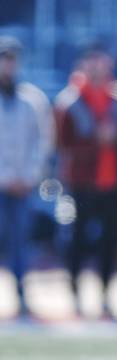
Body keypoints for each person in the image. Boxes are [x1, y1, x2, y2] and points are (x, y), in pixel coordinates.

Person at [55, 43, 117, 318]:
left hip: (113, 183)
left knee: (111, 240)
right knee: (78, 239)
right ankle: (75, 291)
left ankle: (105, 293)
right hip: (83, 182)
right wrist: (95, 141)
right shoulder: (70, 101)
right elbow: (63, 146)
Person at [0, 36, 52, 318]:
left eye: (11, 59)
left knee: (21, 240)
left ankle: (21, 294)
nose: (7, 65)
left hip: (23, 185)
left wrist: (29, 176)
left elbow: (43, 141)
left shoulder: (32, 99)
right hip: (2, 182)